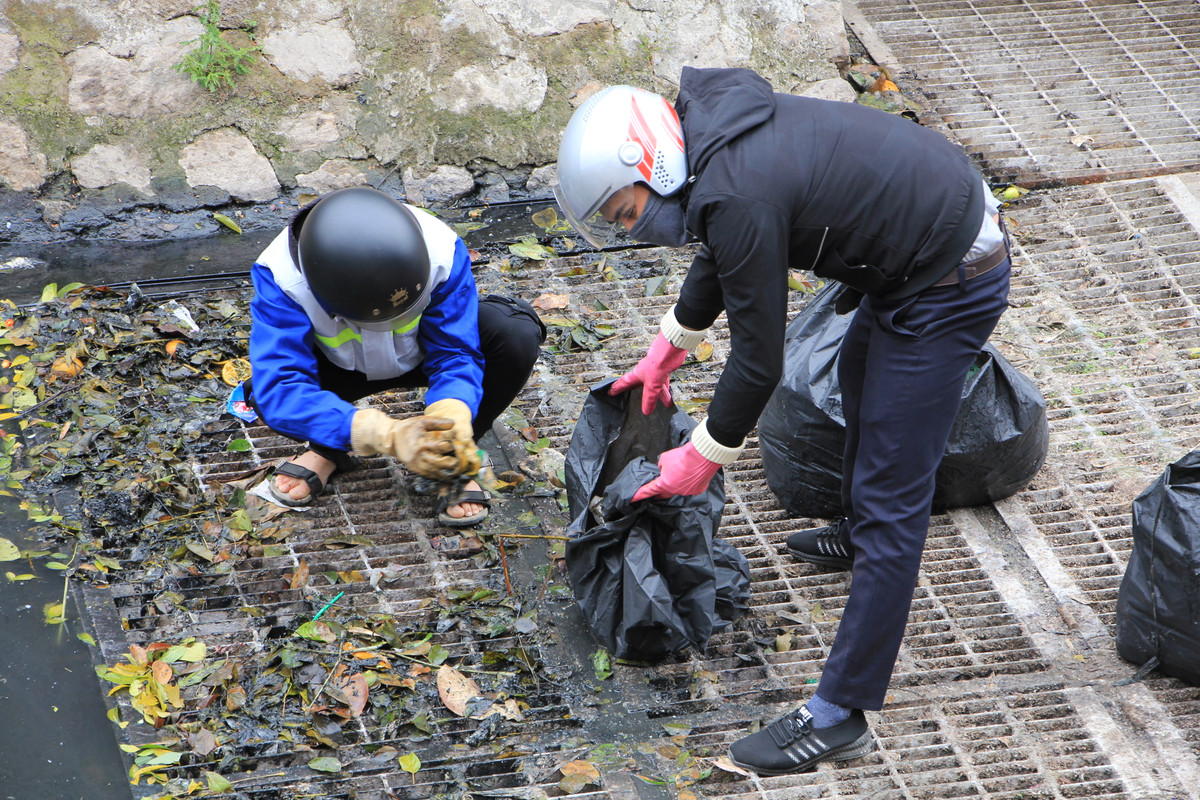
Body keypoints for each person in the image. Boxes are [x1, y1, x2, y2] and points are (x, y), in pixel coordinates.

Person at [554, 67, 1011, 774]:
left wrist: (701, 457)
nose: (634, 227)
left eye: (624, 210)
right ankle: (859, 533)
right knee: (860, 383)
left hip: (950, 272)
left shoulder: (736, 187)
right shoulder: (713, 144)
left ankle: (839, 713)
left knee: (896, 500)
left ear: (647, 161)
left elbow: (758, 361)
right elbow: (723, 246)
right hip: (911, 243)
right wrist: (664, 353)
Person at [245, 186, 545, 526]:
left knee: (513, 333)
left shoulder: (439, 249)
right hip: (340, 368)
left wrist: (454, 410)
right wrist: (381, 434)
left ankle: (451, 455)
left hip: (420, 355)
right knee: (265, 391)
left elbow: (455, 350)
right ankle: (329, 445)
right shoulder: (281, 277)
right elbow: (281, 386)